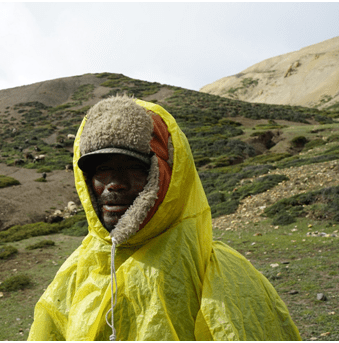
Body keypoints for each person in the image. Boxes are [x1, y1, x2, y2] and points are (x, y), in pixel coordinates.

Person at [28, 94, 301, 340]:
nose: (114, 184)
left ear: (165, 176)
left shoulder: (216, 273)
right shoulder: (75, 272)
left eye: (134, 168)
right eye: (102, 169)